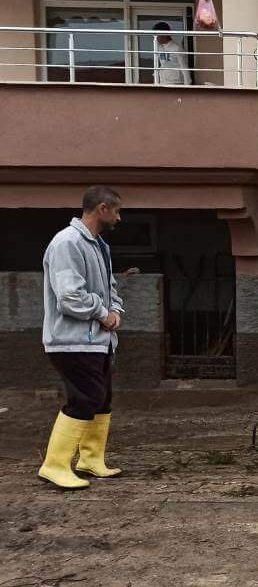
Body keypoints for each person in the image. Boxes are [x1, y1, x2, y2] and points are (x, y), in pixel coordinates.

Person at [38, 186, 125, 490]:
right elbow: (69, 296)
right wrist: (104, 313)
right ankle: (55, 465)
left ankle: (90, 459)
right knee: (84, 398)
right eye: (116, 210)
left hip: (96, 340)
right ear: (102, 209)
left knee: (101, 399)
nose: (119, 217)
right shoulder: (67, 243)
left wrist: (114, 310)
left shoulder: (98, 244)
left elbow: (110, 287)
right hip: (70, 340)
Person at [152, 22, 191, 86]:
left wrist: (187, 85)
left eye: (156, 35)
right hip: (162, 82)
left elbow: (184, 67)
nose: (156, 37)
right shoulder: (159, 48)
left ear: (164, 34)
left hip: (176, 83)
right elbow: (162, 65)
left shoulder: (177, 49)